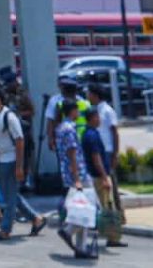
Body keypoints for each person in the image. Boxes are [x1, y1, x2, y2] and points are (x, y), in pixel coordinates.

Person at [0, 86, 45, 241]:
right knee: (11, 195)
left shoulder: (9, 117)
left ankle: (5, 230)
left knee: (9, 198)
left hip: (10, 160)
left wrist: (19, 166)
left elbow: (19, 141)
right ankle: (36, 219)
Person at [55, 100, 95, 259]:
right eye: (77, 110)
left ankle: (81, 248)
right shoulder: (70, 129)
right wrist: (77, 178)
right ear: (72, 111)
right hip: (78, 174)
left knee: (80, 210)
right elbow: (72, 154)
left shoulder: (60, 128)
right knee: (86, 209)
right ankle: (68, 231)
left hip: (68, 174)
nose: (79, 113)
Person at [82, 106, 126, 248]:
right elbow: (96, 158)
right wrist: (105, 177)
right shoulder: (92, 135)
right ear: (93, 118)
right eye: (97, 117)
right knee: (108, 207)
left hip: (98, 176)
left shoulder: (89, 133)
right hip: (100, 177)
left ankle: (112, 237)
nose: (99, 119)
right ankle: (112, 238)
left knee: (107, 206)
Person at [86, 83, 125, 231]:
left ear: (96, 95)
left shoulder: (107, 111)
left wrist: (115, 154)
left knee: (111, 185)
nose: (88, 97)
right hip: (99, 151)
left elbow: (114, 132)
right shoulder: (94, 111)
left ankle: (118, 216)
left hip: (107, 151)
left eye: (89, 94)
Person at [46, 79, 88, 151]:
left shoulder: (60, 105)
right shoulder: (56, 102)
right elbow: (51, 121)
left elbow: (54, 123)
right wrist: (51, 139)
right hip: (69, 140)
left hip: (78, 140)